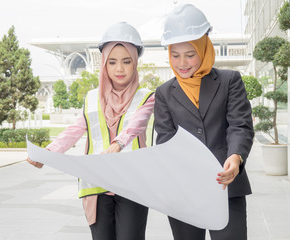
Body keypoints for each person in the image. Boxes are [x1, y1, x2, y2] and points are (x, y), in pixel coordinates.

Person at [27, 22, 155, 240]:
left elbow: (138, 124)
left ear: (135, 63)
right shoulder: (92, 98)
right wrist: (46, 154)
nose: (120, 69)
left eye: (126, 61)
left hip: (133, 185)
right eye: (112, 62)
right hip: (96, 184)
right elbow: (74, 130)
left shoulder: (147, 96)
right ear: (104, 64)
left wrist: (118, 144)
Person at [154, 4, 254, 240]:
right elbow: (166, 139)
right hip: (183, 192)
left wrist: (236, 156)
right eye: (175, 55)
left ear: (204, 48)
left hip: (225, 184)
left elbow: (240, 124)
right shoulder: (164, 92)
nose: (182, 63)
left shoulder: (230, 81)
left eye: (190, 54)